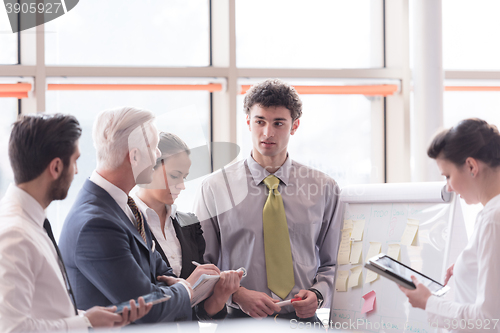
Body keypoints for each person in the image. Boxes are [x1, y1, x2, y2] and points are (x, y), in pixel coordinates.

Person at [194, 79, 342, 321]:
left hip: (304, 322)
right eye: (260, 121)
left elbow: (335, 262)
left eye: (279, 123)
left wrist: (319, 293)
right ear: (248, 122)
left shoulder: (324, 188)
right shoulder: (215, 188)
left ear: (294, 126)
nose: (267, 133)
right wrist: (238, 294)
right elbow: (202, 266)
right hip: (239, 321)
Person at [0, 114, 152, 332]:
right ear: (56, 168)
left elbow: (45, 309)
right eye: (75, 161)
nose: (77, 171)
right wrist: (85, 323)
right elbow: (12, 329)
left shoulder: (29, 221)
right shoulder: (15, 235)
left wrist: (90, 318)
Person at [59, 107, 207, 323]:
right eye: (155, 148)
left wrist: (167, 289)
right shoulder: (96, 223)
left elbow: (162, 272)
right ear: (135, 156)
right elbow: (148, 307)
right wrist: (185, 289)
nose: (157, 156)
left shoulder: (128, 206)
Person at [400, 118, 500, 332]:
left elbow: (488, 320)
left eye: (448, 176)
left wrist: (429, 303)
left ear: (471, 166)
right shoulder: (491, 215)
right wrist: (472, 263)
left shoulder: (493, 219)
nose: (449, 187)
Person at [133, 132, 242, 320]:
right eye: (175, 176)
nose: (182, 186)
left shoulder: (188, 224)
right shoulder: (126, 223)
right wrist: (188, 285)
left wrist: (221, 294)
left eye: (185, 177)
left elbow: (201, 312)